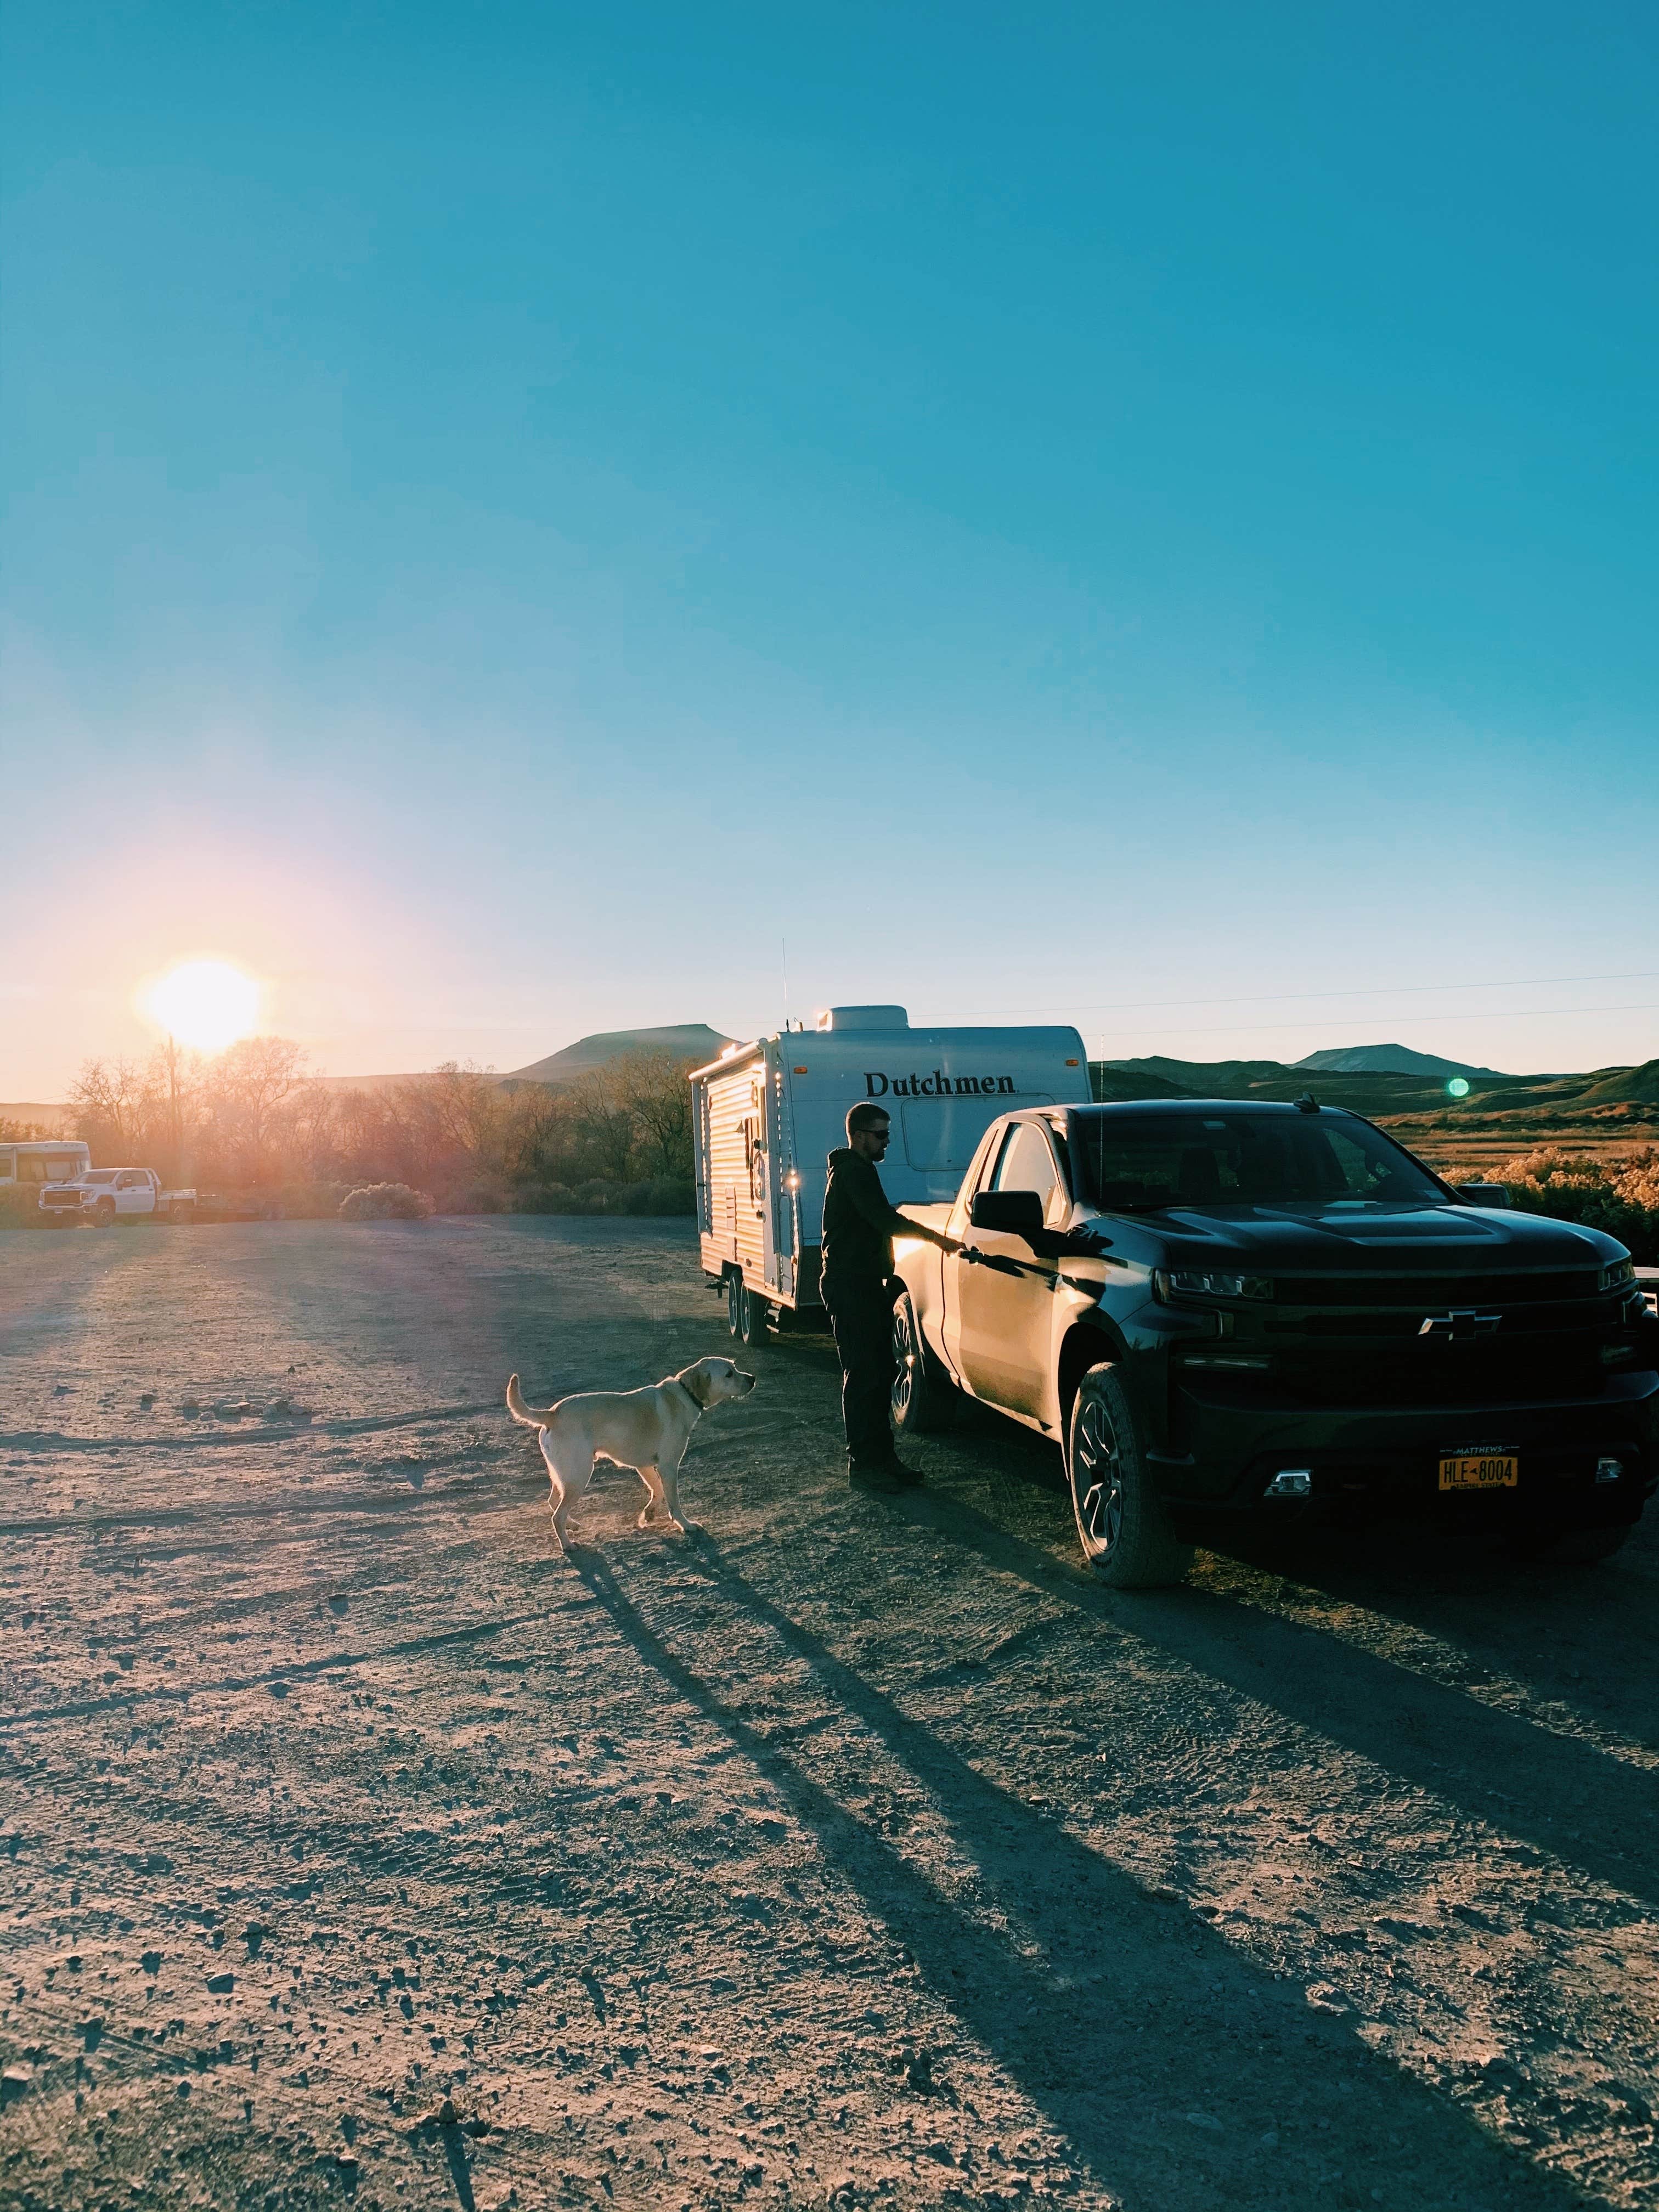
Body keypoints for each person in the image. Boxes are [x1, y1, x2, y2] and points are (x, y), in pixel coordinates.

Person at [821, 1101, 958, 1492]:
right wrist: (938, 1239)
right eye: (881, 1135)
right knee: (864, 1376)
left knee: (878, 1373)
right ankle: (864, 1464)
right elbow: (885, 1219)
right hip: (850, 1287)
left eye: (888, 1134)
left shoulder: (858, 1170)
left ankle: (882, 1458)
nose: (887, 1142)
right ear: (861, 1136)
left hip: (863, 1285)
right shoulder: (853, 1174)